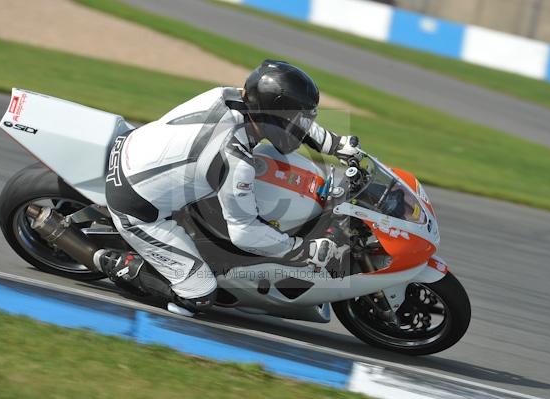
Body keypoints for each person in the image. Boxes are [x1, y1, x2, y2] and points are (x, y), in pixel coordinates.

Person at [93, 60, 362, 316]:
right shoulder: (235, 160)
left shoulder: (230, 96)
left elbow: (281, 119)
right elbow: (244, 233)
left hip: (136, 146)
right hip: (135, 203)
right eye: (296, 119)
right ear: (274, 115)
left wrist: (335, 144)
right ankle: (115, 264)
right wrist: (300, 249)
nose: (300, 125)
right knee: (198, 295)